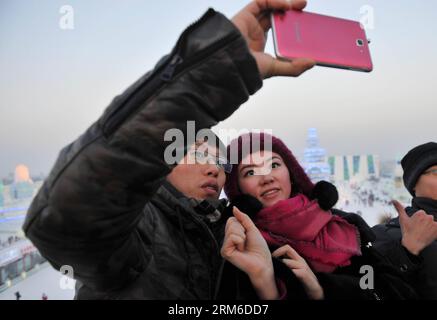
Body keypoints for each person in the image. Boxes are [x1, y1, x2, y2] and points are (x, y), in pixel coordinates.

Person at [23, 0, 315, 299]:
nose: (214, 168)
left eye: (220, 161)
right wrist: (215, 71)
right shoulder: (138, 231)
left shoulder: (236, 236)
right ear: (164, 159)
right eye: (199, 153)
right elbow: (69, 220)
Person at [222, 132, 418, 300]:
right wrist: (266, 285)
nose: (267, 178)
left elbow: (395, 289)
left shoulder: (346, 224)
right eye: (250, 172)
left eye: (273, 165)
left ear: (291, 174)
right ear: (238, 190)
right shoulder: (239, 247)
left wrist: (322, 288)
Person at [373, 142, 437, 299]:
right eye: (436, 172)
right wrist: (406, 253)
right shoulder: (385, 235)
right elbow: (365, 288)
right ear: (414, 183)